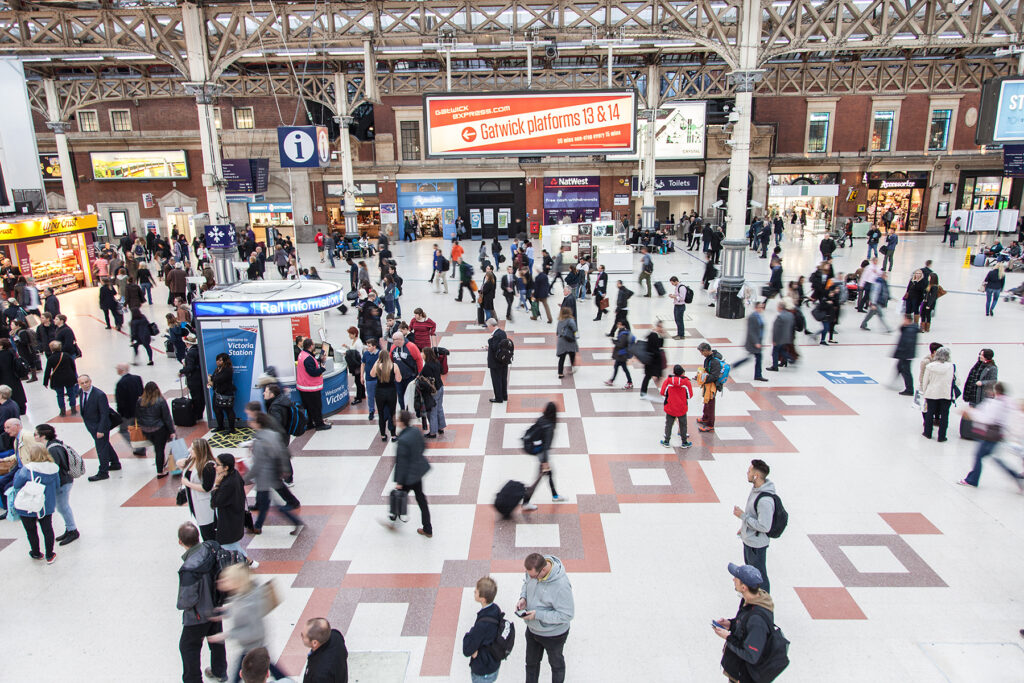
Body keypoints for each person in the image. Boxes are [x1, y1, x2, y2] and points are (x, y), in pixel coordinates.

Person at [214, 563, 289, 683]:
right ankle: (287, 679)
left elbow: (251, 630)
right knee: (266, 664)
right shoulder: (246, 592)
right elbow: (238, 607)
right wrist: (226, 611)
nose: (221, 582)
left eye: (226, 580)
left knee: (250, 668)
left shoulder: (247, 604)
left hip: (252, 644)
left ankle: (286, 679)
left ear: (236, 581)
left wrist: (227, 635)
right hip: (253, 644)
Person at [176, 522, 228, 683]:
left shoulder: (189, 568)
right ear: (198, 537)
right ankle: (220, 671)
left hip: (198, 616)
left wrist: (180, 605)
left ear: (180, 542)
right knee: (216, 640)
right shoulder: (211, 548)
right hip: (215, 607)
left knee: (188, 647)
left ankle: (193, 680)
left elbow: (187, 600)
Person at [713, 563, 777, 683]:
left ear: (744, 587)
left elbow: (751, 655)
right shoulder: (750, 600)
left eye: (736, 579)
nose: (733, 579)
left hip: (744, 677)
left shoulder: (757, 621)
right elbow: (744, 628)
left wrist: (728, 637)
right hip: (738, 671)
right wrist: (731, 624)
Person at [517, 552, 574, 683]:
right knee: (531, 665)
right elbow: (526, 583)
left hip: (554, 636)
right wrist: (523, 597)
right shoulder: (533, 572)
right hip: (532, 630)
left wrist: (538, 615)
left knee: (557, 666)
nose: (531, 578)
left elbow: (567, 614)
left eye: (533, 576)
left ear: (543, 570)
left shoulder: (562, 586)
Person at [247, 412, 304, 536]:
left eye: (252, 421)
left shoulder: (259, 441)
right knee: (266, 501)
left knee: (268, 503)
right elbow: (282, 451)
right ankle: (258, 526)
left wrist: (246, 478)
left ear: (258, 423)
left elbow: (258, 464)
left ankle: (259, 526)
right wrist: (284, 468)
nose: (250, 423)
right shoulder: (273, 435)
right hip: (274, 472)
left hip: (264, 476)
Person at [958, 382, 1021, 489]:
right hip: (998, 435)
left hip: (990, 435)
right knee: (994, 458)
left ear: (996, 391)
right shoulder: (1007, 402)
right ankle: (1016, 476)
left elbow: (987, 418)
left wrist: (971, 413)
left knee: (979, 456)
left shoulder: (996, 404)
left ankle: (972, 480)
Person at [11, 443, 61, 563]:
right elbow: (57, 487)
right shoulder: (53, 468)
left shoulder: (27, 469)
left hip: (27, 505)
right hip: (45, 505)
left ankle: (36, 553)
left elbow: (17, 484)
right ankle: (50, 555)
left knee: (31, 530)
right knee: (47, 529)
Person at [733, 459, 776, 593]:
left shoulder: (765, 501)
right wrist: (744, 527)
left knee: (759, 576)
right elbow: (754, 514)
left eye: (750, 470)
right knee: (750, 573)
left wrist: (743, 517)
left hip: (756, 545)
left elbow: (764, 527)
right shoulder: (756, 489)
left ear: (756, 476)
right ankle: (752, 598)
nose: (747, 472)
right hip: (749, 540)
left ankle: (763, 602)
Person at [388, 410, 432, 537]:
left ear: (401, 422)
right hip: (417, 473)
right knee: (421, 500)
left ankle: (394, 522)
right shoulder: (416, 431)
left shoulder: (402, 440)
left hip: (408, 477)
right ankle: (428, 528)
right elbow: (424, 447)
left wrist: (399, 483)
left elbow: (401, 463)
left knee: (399, 497)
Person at [35, 423, 79, 546]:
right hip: (63, 481)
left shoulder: (52, 449)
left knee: (63, 507)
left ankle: (72, 530)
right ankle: (70, 528)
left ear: (43, 436)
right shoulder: (53, 445)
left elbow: (54, 468)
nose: (34, 437)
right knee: (62, 507)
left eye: (36, 435)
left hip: (62, 482)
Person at [210, 453, 250, 564]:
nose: (214, 466)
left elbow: (214, 502)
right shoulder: (235, 475)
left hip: (228, 522)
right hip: (234, 519)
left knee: (230, 546)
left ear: (226, 467)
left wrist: (216, 485)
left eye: (217, 464)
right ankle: (249, 562)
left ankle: (248, 562)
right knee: (233, 545)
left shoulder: (228, 484)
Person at [79, 374, 121, 481]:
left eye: (86, 382)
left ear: (90, 381)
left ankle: (103, 472)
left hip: (100, 427)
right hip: (91, 426)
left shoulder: (99, 395)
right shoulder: (81, 392)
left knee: (101, 449)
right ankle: (115, 463)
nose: (85, 385)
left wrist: (101, 430)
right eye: (82, 383)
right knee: (105, 444)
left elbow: (104, 414)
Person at [462, 576, 504, 683]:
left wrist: (468, 635)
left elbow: (467, 649)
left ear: (482, 599)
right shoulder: (495, 608)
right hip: (493, 665)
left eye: (476, 592)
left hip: (483, 671)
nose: (474, 592)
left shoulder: (482, 625)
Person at [522, 402, 560, 511]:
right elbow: (546, 446)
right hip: (542, 454)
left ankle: (555, 495)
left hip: (536, 449)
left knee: (549, 473)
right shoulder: (550, 426)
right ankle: (526, 501)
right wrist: (545, 462)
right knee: (539, 478)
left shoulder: (542, 419)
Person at [178, 437, 217, 541]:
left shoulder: (208, 466)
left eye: (192, 449)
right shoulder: (192, 460)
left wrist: (188, 484)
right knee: (202, 527)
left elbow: (206, 487)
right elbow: (183, 467)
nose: (189, 450)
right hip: (194, 502)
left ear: (200, 450)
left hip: (204, 505)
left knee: (208, 532)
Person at [297, 338, 332, 431]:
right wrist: (322, 369)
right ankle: (319, 424)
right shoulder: (308, 358)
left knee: (308, 407)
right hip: (310, 388)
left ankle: (310, 424)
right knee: (316, 407)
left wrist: (319, 359)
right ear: (311, 346)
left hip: (303, 387)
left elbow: (310, 363)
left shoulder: (302, 354)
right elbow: (312, 372)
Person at [299, 617, 349, 683]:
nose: (301, 637)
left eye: (303, 635)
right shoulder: (336, 636)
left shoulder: (319, 675)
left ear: (315, 643)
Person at [921, 347, 954, 442]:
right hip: (945, 393)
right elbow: (957, 381)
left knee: (930, 412)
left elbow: (925, 381)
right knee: (944, 415)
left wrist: (925, 392)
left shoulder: (930, 366)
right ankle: (942, 436)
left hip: (932, 393)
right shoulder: (951, 366)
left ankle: (927, 433)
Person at [659, 364, 693, 449]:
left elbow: (663, 392)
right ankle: (684, 442)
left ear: (674, 372)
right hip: (682, 407)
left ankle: (666, 441)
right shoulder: (686, 382)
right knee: (683, 425)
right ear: (682, 372)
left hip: (670, 406)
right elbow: (689, 395)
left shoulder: (668, 381)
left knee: (669, 424)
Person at [733, 302, 768, 382]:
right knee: (756, 358)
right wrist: (756, 342)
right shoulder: (753, 317)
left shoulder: (759, 316)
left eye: (762, 307)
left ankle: (735, 365)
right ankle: (758, 375)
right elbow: (751, 331)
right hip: (753, 343)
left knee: (751, 358)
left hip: (757, 341)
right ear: (755, 308)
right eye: (759, 307)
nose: (761, 309)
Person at [42, 340, 78, 416]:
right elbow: (73, 366)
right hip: (69, 377)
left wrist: (45, 382)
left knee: (60, 395)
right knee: (71, 393)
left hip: (58, 380)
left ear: (51, 349)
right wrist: (74, 376)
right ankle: (73, 409)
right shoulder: (66, 355)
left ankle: (62, 411)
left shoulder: (50, 359)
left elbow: (47, 371)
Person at [370, 348, 400, 441]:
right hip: (391, 391)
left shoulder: (377, 365)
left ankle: (383, 435)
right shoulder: (394, 365)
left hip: (379, 392)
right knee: (392, 413)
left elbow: (372, 375)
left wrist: (376, 363)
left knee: (381, 413)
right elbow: (399, 379)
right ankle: (393, 435)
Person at [696, 343, 724, 432]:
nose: (701, 354)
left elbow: (714, 376)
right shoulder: (708, 359)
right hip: (707, 384)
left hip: (712, 386)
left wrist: (703, 379)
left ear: (707, 350)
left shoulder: (715, 361)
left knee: (710, 404)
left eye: (702, 352)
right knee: (706, 401)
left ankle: (710, 425)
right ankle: (705, 418)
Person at [420, 346, 447, 438]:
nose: (421, 354)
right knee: (439, 408)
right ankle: (441, 427)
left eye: (422, 353)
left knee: (432, 411)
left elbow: (422, 376)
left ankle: (432, 432)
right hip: (440, 387)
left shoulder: (427, 365)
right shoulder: (436, 362)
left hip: (433, 390)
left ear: (426, 354)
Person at [180, 335, 207, 422]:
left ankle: (197, 414)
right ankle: (200, 413)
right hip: (200, 378)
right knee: (201, 397)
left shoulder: (191, 353)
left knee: (196, 397)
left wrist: (182, 370)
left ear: (187, 343)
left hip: (194, 379)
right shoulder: (198, 349)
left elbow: (190, 367)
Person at [209, 352, 237, 434]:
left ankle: (232, 428)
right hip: (217, 392)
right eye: (217, 360)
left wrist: (211, 379)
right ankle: (220, 426)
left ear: (225, 361)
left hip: (226, 393)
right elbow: (214, 378)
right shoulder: (217, 368)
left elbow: (218, 379)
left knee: (228, 410)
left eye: (220, 360)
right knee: (216, 409)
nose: (218, 362)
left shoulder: (228, 369)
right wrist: (211, 379)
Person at [639, 320, 666, 397]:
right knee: (648, 376)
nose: (661, 328)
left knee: (650, 376)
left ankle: (643, 392)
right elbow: (654, 348)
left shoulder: (656, 335)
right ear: (657, 326)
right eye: (660, 326)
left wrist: (662, 336)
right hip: (651, 360)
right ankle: (643, 393)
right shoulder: (653, 335)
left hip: (654, 360)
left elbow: (660, 345)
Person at [893, 314, 919, 396]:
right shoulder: (908, 328)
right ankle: (896, 382)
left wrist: (901, 353)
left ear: (907, 319)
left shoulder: (910, 330)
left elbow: (907, 343)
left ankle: (909, 389)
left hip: (906, 354)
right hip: (905, 354)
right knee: (899, 367)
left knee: (906, 371)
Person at [0, 338, 26, 414]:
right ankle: (22, 408)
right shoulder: (12, 351)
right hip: (14, 375)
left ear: (1, 346)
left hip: (3, 378)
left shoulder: (1, 355)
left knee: (6, 393)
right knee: (18, 392)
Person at [485, 318, 509, 403]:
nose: (488, 328)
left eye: (488, 326)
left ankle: (499, 398)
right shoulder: (502, 332)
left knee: (496, 380)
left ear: (491, 326)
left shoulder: (495, 335)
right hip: (503, 361)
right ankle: (504, 396)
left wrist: (490, 340)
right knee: (503, 379)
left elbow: (495, 347)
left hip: (495, 362)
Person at [605, 320, 633, 389]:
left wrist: (614, 341)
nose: (618, 325)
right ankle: (612, 380)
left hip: (622, 355)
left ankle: (630, 382)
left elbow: (621, 344)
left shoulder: (624, 334)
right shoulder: (622, 332)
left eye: (619, 324)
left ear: (623, 325)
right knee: (616, 367)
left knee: (624, 369)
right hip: (621, 354)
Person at [555, 306, 578, 379]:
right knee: (572, 354)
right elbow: (575, 329)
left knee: (562, 358)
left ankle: (560, 373)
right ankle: (572, 367)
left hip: (561, 341)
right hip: (569, 340)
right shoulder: (570, 320)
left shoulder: (560, 320)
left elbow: (557, 332)